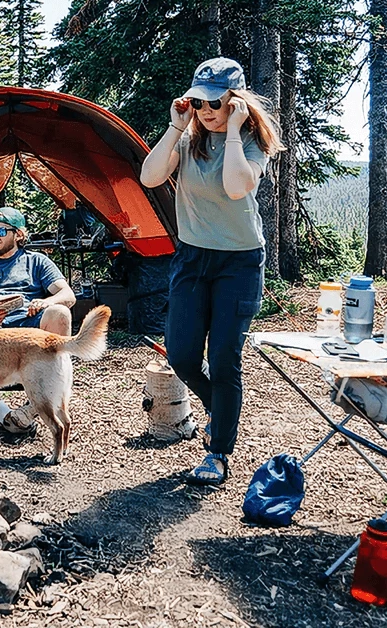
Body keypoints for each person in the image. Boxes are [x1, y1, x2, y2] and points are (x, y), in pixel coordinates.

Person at [139, 58, 284, 485]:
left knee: (224, 359)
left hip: (238, 262)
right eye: (198, 98)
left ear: (234, 101)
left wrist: (236, 130)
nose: (204, 108)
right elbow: (150, 177)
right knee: (182, 355)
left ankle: (218, 451)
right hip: (191, 259)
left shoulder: (252, 141)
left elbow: (237, 186)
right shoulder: (188, 139)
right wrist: (175, 126)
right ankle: (218, 408)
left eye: (215, 101)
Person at [0, 206, 77, 434]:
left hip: (28, 324)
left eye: (0, 231)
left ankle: (31, 410)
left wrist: (45, 303)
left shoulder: (37, 262)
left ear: (18, 235)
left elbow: (67, 295)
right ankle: (1, 411)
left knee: (61, 313)